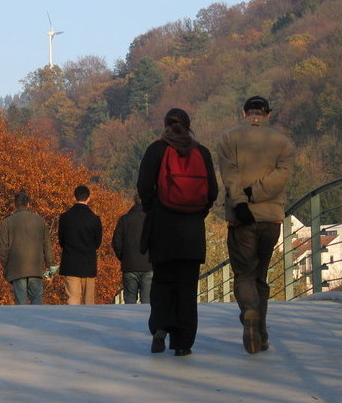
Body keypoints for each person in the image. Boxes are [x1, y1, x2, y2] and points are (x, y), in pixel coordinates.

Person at [137, 108, 218, 356]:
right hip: (192, 231)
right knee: (186, 286)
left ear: (165, 124)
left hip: (162, 228)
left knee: (162, 281)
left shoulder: (156, 150)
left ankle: (160, 327)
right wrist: (197, 212)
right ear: (188, 125)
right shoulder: (201, 152)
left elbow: (143, 186)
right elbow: (212, 192)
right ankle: (183, 343)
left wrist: (155, 209)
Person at [216, 95, 294, 354]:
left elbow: (230, 174)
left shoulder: (228, 138)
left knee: (244, 275)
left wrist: (241, 201)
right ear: (268, 114)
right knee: (260, 275)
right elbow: (282, 175)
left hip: (241, 220)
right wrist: (257, 193)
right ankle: (260, 332)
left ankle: (249, 311)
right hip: (270, 218)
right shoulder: (282, 143)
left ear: (244, 112)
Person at [0, 190, 56, 305]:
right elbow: (47, 246)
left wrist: (7, 266)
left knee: (21, 304)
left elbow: (2, 249)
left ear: (15, 205)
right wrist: (50, 268)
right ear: (28, 204)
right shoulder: (40, 221)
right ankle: (38, 322)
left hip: (17, 268)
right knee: (37, 301)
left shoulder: (7, 222)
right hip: (35, 268)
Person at [58, 185, 102, 305]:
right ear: (89, 198)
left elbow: (61, 240)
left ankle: (71, 321)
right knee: (89, 301)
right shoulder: (94, 219)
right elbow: (97, 242)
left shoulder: (65, 217)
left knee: (72, 299)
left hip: (70, 263)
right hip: (88, 263)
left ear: (74, 197)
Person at [112, 193, 153, 303]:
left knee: (129, 300)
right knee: (147, 301)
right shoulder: (152, 219)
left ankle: (129, 319)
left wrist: (123, 257)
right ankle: (145, 320)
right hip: (148, 265)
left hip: (129, 265)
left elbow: (116, 242)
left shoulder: (124, 219)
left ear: (134, 201)